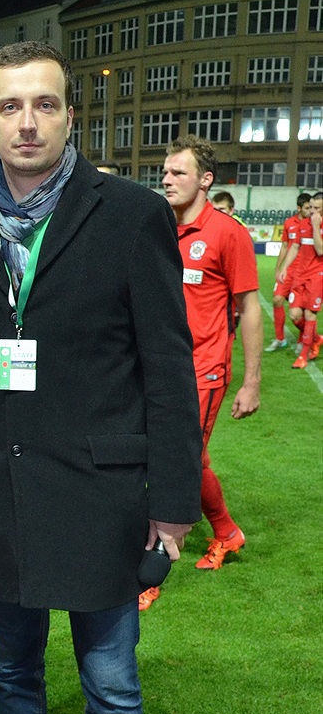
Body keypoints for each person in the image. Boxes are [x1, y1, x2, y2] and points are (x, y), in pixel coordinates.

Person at [0, 42, 202, 714]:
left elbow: (167, 371)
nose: (27, 121)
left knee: (112, 681)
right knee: (12, 669)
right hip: (3, 490)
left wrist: (171, 505)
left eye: (43, 104)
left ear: (67, 115)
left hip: (99, 492)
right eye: (9, 106)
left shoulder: (130, 212)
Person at [158, 135, 262, 591]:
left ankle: (151, 571)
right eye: (165, 171)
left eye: (178, 173)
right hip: (159, 366)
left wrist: (251, 382)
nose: (167, 179)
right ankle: (226, 531)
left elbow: (249, 307)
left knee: (177, 461)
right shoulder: (159, 226)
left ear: (205, 180)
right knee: (176, 460)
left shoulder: (227, 232)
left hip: (204, 368)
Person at [281, 191, 323, 369]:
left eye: (316, 208)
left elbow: (320, 250)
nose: (312, 211)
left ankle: (303, 355)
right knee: (295, 315)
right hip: (299, 275)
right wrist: (284, 267)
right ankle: (316, 338)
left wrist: (315, 227)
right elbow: (294, 247)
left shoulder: (316, 226)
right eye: (311, 207)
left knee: (309, 314)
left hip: (316, 276)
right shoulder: (302, 224)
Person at [268, 192, 312, 352]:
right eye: (307, 208)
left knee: (300, 310)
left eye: (312, 207)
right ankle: (280, 339)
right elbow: (285, 246)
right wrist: (278, 268)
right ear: (299, 208)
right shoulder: (289, 223)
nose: (310, 211)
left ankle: (305, 337)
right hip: (289, 270)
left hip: (304, 272)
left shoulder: (314, 225)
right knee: (277, 299)